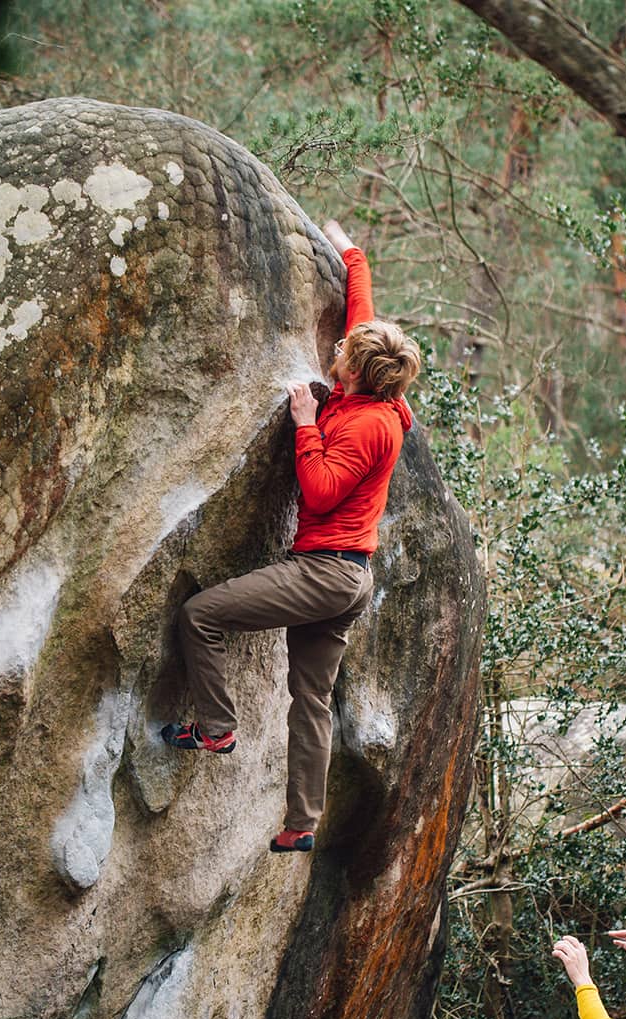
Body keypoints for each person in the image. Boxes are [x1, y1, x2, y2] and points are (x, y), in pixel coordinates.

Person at [161, 218, 421, 853]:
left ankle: (218, 727)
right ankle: (302, 825)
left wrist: (306, 422)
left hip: (325, 573)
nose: (333, 354)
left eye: (341, 356)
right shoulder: (375, 394)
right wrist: (346, 246)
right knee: (311, 702)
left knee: (201, 615)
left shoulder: (367, 427)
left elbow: (322, 490)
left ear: (357, 372)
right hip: (347, 576)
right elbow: (361, 306)